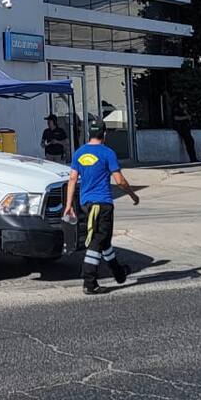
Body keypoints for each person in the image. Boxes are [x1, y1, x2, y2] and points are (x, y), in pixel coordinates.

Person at [63, 124, 141, 295]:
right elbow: (119, 180)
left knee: (104, 241)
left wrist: (69, 205)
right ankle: (89, 282)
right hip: (103, 204)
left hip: (86, 204)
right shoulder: (107, 153)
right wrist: (133, 195)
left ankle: (119, 273)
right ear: (104, 134)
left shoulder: (79, 153)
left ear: (89, 134)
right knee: (98, 240)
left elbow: (72, 179)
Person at [172, 99, 197, 163]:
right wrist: (186, 117)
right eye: (184, 104)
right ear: (181, 104)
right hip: (181, 128)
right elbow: (176, 118)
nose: (186, 105)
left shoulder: (185, 110)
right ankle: (192, 159)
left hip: (186, 128)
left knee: (191, 142)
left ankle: (193, 158)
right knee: (189, 142)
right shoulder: (177, 110)